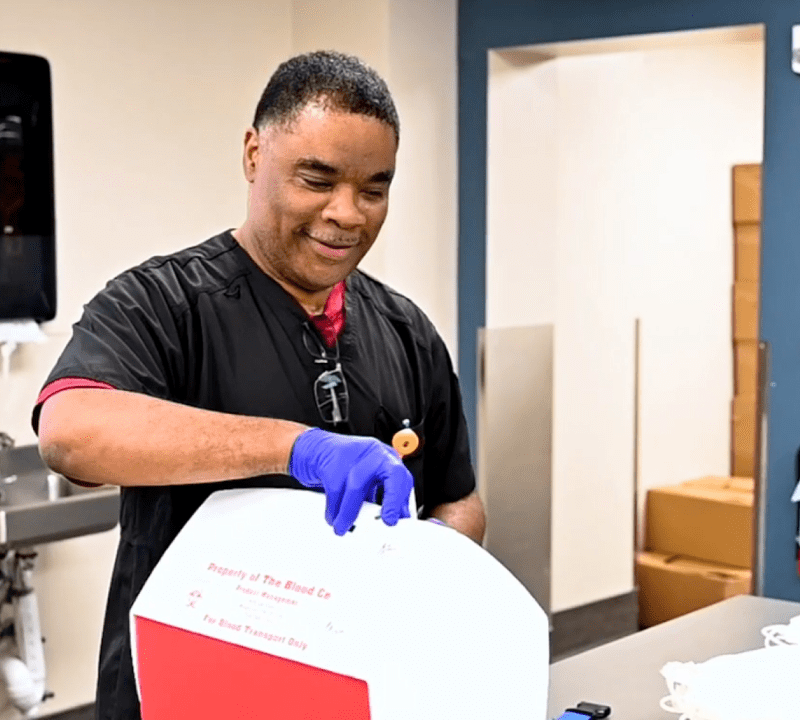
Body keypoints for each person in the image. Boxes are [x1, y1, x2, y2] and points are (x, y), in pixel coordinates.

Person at [31, 49, 485, 720]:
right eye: (317, 179)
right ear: (253, 154)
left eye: (373, 189)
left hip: (357, 693)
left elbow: (459, 499)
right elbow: (71, 433)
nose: (348, 214)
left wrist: (425, 570)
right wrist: (297, 449)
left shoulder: (405, 329)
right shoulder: (161, 304)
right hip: (183, 697)